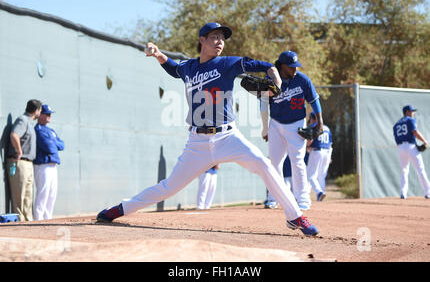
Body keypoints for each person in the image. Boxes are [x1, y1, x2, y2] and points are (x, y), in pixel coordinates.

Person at [96, 22, 319, 236]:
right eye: (215, 37)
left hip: (228, 137)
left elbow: (263, 65)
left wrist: (275, 75)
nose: (220, 41)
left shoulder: (228, 63)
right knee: (168, 188)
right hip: (197, 143)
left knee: (264, 165)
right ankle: (121, 209)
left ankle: (295, 216)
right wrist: (157, 53)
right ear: (202, 40)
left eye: (222, 38)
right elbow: (173, 68)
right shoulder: (189, 67)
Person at [260, 50, 324, 211]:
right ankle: (273, 198)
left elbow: (314, 101)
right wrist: (265, 128)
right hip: (275, 124)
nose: (295, 69)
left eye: (296, 66)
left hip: (296, 124)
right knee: (274, 162)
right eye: (291, 67)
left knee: (297, 161)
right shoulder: (271, 80)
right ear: (282, 66)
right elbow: (263, 105)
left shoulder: (302, 79)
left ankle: (303, 199)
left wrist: (320, 123)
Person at [6, 99, 42, 221]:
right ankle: (20, 221)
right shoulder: (23, 120)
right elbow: (14, 135)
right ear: (36, 110)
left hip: (28, 163)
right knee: (19, 195)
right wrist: (19, 150)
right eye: (40, 110)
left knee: (28, 195)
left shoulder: (29, 122)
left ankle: (28, 220)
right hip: (20, 161)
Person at [33, 104, 65, 220]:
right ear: (40, 115)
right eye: (47, 114)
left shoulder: (50, 130)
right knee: (43, 193)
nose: (49, 116)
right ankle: (38, 219)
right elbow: (48, 147)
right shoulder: (38, 129)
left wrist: (53, 143)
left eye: (50, 114)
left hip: (52, 165)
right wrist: (53, 143)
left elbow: (62, 145)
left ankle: (47, 218)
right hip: (42, 165)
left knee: (52, 194)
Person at [393, 105, 430, 199]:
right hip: (411, 146)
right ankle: (428, 192)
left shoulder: (396, 124)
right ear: (407, 112)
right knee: (420, 169)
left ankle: (403, 193)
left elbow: (396, 138)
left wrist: (402, 147)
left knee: (404, 170)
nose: (413, 113)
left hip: (401, 147)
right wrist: (424, 141)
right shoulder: (410, 120)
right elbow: (415, 132)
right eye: (411, 111)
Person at [306, 113, 333, 202]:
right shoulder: (327, 128)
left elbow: (309, 142)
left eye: (310, 118)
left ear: (313, 119)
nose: (310, 121)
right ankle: (321, 197)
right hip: (327, 152)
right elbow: (330, 145)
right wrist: (330, 157)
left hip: (316, 151)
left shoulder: (313, 126)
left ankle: (319, 192)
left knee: (310, 175)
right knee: (322, 176)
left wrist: (305, 146)